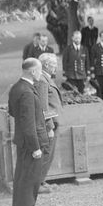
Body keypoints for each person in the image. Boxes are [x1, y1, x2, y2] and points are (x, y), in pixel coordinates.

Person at [9, 58, 49, 206]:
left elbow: (13, 112)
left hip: (23, 139)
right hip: (30, 142)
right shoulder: (26, 91)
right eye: (39, 70)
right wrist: (35, 147)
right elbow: (28, 122)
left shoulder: (16, 87)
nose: (41, 73)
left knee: (21, 176)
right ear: (32, 71)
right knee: (30, 177)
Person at [35, 53, 63, 194]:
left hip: (53, 123)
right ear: (46, 65)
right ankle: (37, 184)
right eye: (54, 65)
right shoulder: (42, 80)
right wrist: (49, 126)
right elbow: (43, 106)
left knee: (49, 154)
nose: (56, 68)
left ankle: (42, 180)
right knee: (46, 153)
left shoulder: (45, 78)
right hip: (49, 125)